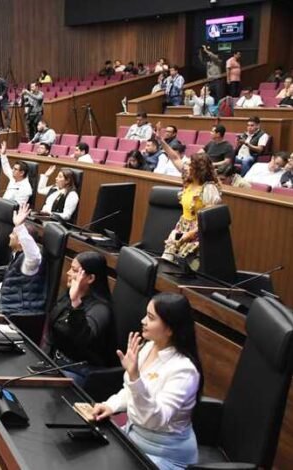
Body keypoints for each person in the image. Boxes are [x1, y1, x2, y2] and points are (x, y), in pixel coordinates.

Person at [92, 293, 203, 469]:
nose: (143, 321)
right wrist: (111, 405)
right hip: (133, 437)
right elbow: (131, 391)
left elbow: (155, 419)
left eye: (151, 318)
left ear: (170, 329)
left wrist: (135, 377)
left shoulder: (184, 370)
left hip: (163, 454)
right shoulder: (149, 346)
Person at [43, 251, 114, 385]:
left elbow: (83, 340)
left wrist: (75, 303)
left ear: (90, 278)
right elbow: (52, 328)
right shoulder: (69, 296)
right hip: (56, 361)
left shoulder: (101, 309)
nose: (68, 273)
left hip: (79, 371)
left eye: (74, 270)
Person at [156, 133, 222, 264]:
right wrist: (161, 141)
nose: (186, 167)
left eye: (190, 165)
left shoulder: (209, 189)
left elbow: (208, 219)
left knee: (184, 266)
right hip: (182, 227)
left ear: (198, 170)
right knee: (167, 263)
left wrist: (189, 235)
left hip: (198, 234)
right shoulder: (189, 181)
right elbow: (175, 157)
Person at [0, 202, 47, 314]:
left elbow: (34, 256)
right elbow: (12, 286)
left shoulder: (28, 263)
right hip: (8, 309)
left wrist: (19, 227)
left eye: (13, 234)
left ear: (21, 240)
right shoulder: (17, 257)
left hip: (18, 314)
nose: (10, 236)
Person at [0, 141, 32, 205]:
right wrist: (3, 154)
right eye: (13, 168)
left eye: (15, 169)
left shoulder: (26, 188)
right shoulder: (14, 178)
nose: (12, 170)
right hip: (2, 204)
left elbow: (18, 206)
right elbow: (6, 167)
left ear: (22, 173)